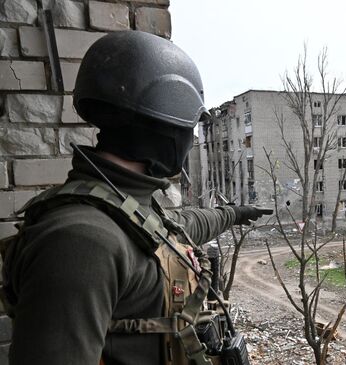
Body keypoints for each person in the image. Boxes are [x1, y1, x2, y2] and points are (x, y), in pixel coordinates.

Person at [3, 30, 269, 365]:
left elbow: (179, 228)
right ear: (165, 126)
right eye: (189, 127)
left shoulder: (124, 206)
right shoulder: (82, 241)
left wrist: (236, 213)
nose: (190, 141)